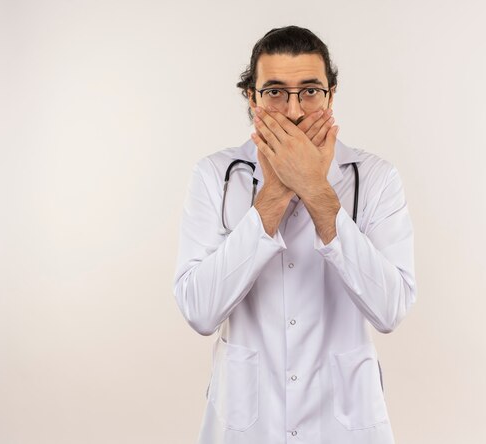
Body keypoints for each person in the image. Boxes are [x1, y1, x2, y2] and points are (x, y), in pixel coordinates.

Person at [172, 25, 417, 444]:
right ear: (251, 97)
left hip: (344, 423)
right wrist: (276, 193)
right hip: (248, 422)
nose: (294, 111)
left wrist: (318, 191)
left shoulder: (374, 178)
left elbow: (391, 309)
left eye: (309, 91)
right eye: (274, 92)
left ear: (331, 95)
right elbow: (199, 310)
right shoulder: (215, 175)